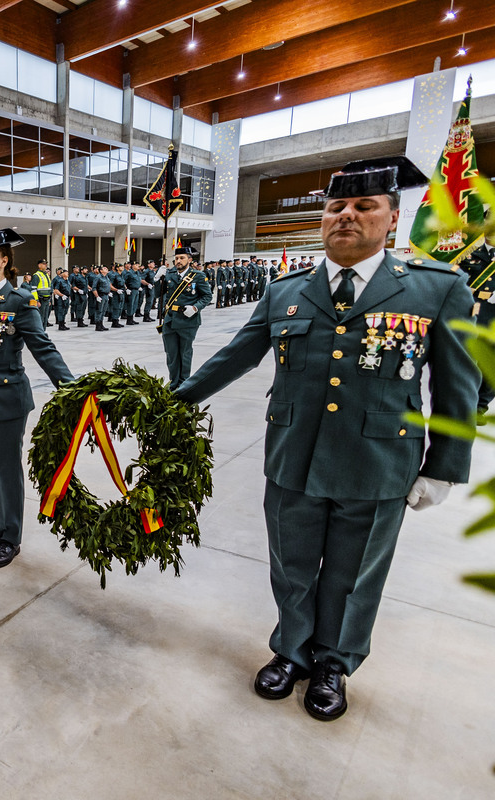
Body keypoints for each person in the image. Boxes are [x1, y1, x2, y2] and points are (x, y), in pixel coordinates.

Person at [175, 156, 480, 722]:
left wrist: (444, 466)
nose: (347, 216)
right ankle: (291, 651)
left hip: (379, 460)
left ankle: (334, 663)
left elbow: (460, 385)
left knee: (353, 571)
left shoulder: (435, 288)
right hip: (294, 455)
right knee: (291, 565)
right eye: (337, 206)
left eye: (364, 206)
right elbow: (234, 357)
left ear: (392, 218)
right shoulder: (287, 290)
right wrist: (171, 402)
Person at [0, 229, 74, 569]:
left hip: (6, 399)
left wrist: (71, 387)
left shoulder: (21, 301)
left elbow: (44, 349)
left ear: (4, 261)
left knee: (6, 470)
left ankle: (10, 538)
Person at [158, 246, 212, 389]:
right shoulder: (169, 275)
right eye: (176, 258)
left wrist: (195, 307)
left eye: (182, 258)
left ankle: (184, 384)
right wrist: (158, 279)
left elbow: (207, 296)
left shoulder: (198, 276)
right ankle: (174, 383)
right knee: (171, 354)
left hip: (188, 320)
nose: (178, 261)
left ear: (189, 259)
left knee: (185, 353)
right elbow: (159, 293)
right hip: (169, 319)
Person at [459, 245, 495, 417]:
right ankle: (463, 400)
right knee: (466, 355)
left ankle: (481, 404)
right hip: (471, 307)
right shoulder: (468, 252)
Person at [30, 259, 52, 327]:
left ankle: (43, 332)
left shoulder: (46, 275)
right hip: (41, 299)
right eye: (44, 264)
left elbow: (48, 288)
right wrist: (37, 300)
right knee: (40, 318)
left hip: (47, 299)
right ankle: (40, 333)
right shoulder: (37, 275)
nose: (45, 265)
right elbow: (33, 289)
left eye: (46, 264)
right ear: (39, 265)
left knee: (45, 318)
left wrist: (49, 299)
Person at [90, 265, 111, 331]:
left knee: (103, 311)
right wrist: (97, 296)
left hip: (106, 295)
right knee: (99, 311)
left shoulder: (106, 277)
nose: (106, 269)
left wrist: (109, 292)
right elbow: (94, 288)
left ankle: (101, 324)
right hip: (101, 295)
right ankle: (98, 325)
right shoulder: (98, 277)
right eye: (104, 268)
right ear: (101, 271)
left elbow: (107, 285)